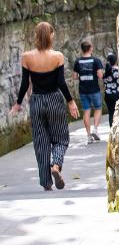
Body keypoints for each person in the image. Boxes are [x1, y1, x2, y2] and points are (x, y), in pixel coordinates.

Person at [10, 22, 79, 191]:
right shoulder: (58, 56)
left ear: (36, 36)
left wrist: (18, 103)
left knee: (41, 142)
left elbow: (25, 83)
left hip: (37, 101)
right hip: (55, 99)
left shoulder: (27, 57)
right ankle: (56, 165)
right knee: (61, 138)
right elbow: (61, 83)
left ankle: (46, 183)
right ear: (51, 35)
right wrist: (70, 102)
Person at [72, 40, 104, 144]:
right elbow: (100, 75)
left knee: (86, 111)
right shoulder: (96, 61)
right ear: (90, 48)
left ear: (82, 49)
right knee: (98, 108)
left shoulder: (77, 61)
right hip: (94, 89)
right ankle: (95, 129)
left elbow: (74, 76)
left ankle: (89, 136)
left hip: (83, 90)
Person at [102, 52, 119, 130]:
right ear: (116, 60)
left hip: (108, 95)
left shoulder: (105, 71)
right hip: (117, 94)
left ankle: (111, 129)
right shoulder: (118, 70)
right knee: (118, 112)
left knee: (111, 113)